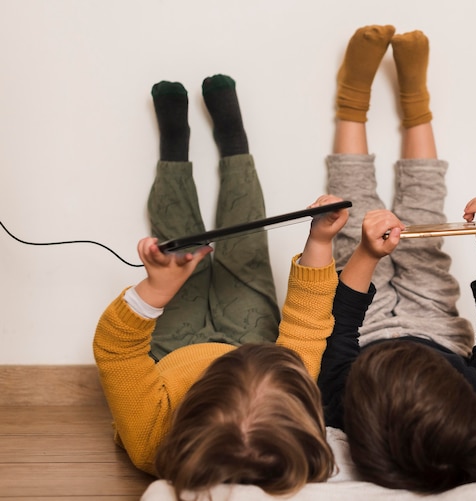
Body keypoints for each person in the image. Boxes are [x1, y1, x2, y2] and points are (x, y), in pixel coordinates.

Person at [93, 75, 348, 497]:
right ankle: (235, 144)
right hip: (250, 340)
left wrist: (156, 289)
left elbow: (117, 352)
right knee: (245, 242)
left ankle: (173, 150)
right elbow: (307, 322)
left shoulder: (150, 444)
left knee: (175, 244)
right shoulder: (290, 392)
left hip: (172, 350)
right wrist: (320, 240)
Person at [317, 26, 476, 493]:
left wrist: (369, 255)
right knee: (425, 217)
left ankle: (352, 101)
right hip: (434, 318)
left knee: (352, 218)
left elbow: (340, 321)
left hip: (361, 325)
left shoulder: (340, 402)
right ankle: (417, 107)